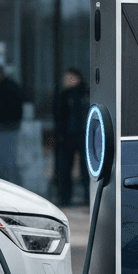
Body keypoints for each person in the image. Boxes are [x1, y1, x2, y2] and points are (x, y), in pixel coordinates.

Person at [53, 67, 89, 206]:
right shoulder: (62, 95)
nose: (66, 81)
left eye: (70, 78)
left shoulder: (84, 93)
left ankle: (88, 197)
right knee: (64, 168)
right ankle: (64, 198)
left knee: (85, 168)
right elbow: (58, 116)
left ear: (77, 78)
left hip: (83, 135)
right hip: (66, 136)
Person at [0, 65, 23, 183]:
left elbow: (4, 110)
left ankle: (11, 186)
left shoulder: (6, 88)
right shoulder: (3, 87)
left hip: (6, 128)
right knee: (4, 161)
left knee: (5, 161)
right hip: (5, 127)